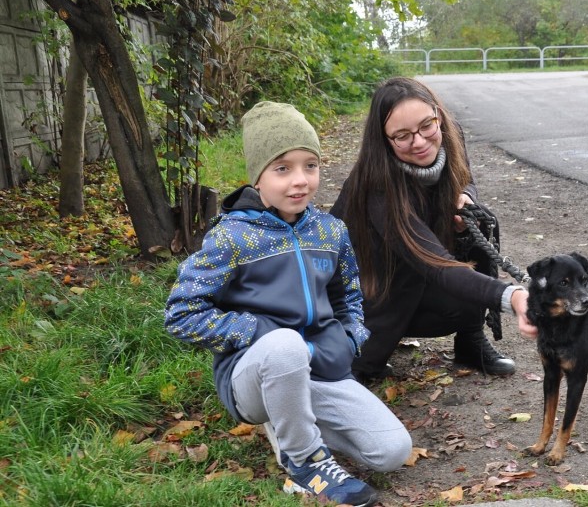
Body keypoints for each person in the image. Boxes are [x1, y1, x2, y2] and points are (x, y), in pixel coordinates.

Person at [164, 101, 411, 507]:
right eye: (282, 168)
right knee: (284, 345)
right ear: (257, 177)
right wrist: (259, 331)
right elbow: (181, 314)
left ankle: (294, 418)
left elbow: (348, 296)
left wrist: (350, 338)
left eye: (309, 165)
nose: (300, 181)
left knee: (392, 451)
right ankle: (304, 461)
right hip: (254, 375)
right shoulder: (233, 238)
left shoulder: (331, 231)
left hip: (321, 368)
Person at [330, 77, 537, 383]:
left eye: (427, 125)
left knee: (475, 226)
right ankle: (366, 352)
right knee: (358, 368)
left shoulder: (448, 133)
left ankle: (470, 342)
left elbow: (465, 178)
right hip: (369, 286)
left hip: (415, 269)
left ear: (438, 115)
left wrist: (467, 198)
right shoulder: (378, 185)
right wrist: (513, 296)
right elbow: (435, 264)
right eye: (402, 136)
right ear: (383, 140)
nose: (420, 141)